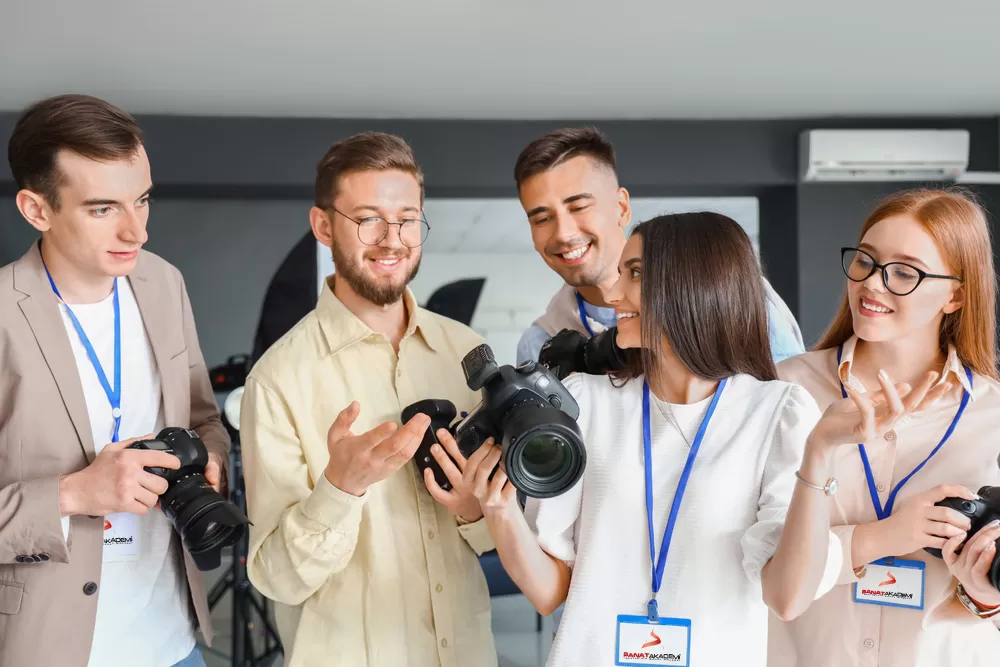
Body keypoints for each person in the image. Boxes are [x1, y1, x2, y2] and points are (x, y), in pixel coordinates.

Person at [436, 210, 947, 667]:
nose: (613, 295)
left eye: (635, 274)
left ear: (693, 285)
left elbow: (787, 597)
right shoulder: (585, 402)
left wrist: (819, 454)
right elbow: (551, 593)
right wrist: (499, 512)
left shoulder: (776, 412)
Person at [239, 131, 499, 667]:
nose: (392, 239)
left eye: (407, 219)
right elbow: (277, 580)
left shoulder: (467, 352)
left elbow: (496, 539)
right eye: (367, 219)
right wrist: (340, 487)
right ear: (323, 227)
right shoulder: (278, 379)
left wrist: (478, 511)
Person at [0, 94, 228, 667]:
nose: (137, 231)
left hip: (174, 642)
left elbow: (203, 416)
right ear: (36, 209)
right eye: (102, 209)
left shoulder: (163, 283)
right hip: (47, 648)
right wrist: (77, 493)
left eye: (142, 200)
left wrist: (212, 457)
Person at [768, 189, 1000, 667]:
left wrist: (983, 593)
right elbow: (752, 559)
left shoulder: (992, 412)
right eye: (865, 261)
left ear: (956, 295)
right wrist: (885, 536)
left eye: (905, 273)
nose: (872, 283)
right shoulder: (782, 391)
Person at [513, 127, 805, 366]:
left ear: (621, 207)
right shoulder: (540, 345)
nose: (563, 233)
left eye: (578, 207)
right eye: (542, 218)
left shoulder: (728, 294)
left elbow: (792, 403)